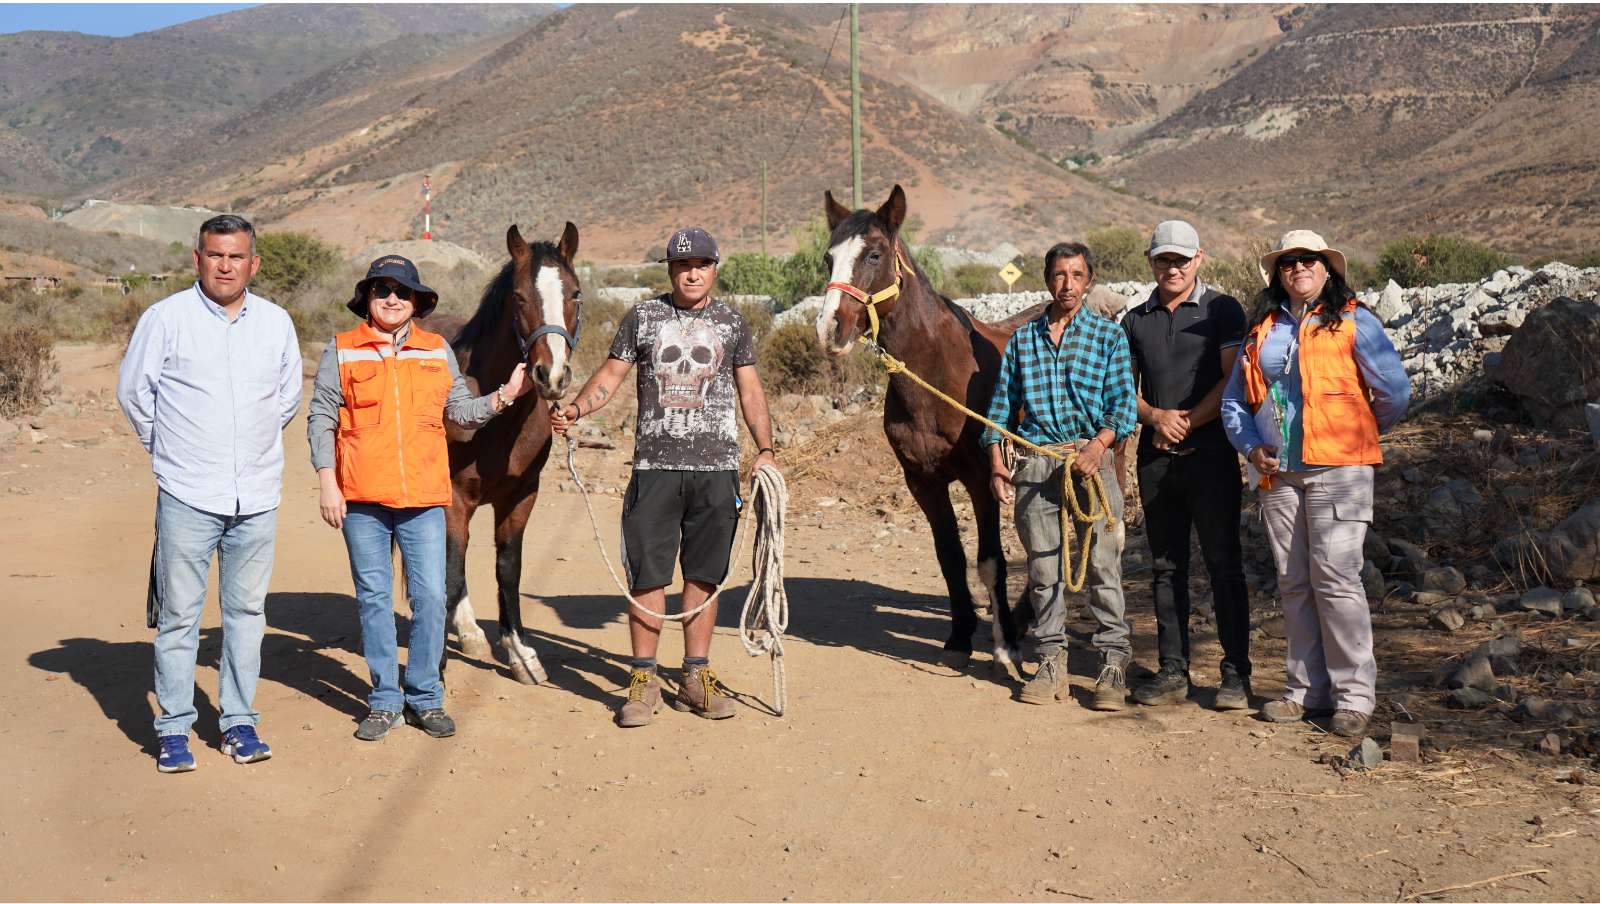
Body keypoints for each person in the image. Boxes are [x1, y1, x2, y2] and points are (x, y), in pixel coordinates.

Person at [551, 227, 777, 728]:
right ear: (671, 270)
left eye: (701, 265)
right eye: (682, 265)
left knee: (703, 575)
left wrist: (765, 450)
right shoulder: (644, 318)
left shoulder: (732, 323)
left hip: (716, 469)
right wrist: (577, 408)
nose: (692, 274)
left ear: (714, 268)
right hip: (654, 469)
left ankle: (695, 677)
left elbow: (750, 389)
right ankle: (643, 679)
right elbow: (611, 375)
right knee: (648, 575)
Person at [306, 255, 534, 742]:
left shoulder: (435, 350)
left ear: (416, 302)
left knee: (430, 598)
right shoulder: (342, 350)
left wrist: (505, 395)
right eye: (382, 290)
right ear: (367, 298)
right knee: (373, 599)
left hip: (425, 497)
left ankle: (426, 696)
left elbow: (461, 411)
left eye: (402, 292)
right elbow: (321, 416)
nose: (392, 299)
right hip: (362, 498)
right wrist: (327, 481)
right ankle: (385, 700)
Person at [116, 214, 301, 773]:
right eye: (215, 255)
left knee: (246, 612)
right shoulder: (166, 318)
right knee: (180, 617)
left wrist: (249, 447)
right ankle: (174, 728)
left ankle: (239, 721)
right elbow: (134, 392)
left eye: (236, 256)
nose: (225, 266)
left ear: (253, 263)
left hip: (257, 496)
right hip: (188, 493)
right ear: (197, 259)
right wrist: (171, 449)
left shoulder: (276, 323)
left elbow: (286, 398)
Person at [1221, 230, 1410, 738]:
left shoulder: (1353, 320)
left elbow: (1393, 392)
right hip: (1278, 473)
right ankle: (1305, 691)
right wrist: (1250, 446)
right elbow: (1236, 400)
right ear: (1278, 274)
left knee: (1338, 580)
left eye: (1308, 260)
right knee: (1294, 580)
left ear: (1327, 267)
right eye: (1288, 262)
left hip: (1340, 470)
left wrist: (1356, 431)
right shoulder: (1262, 328)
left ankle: (1354, 697)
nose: (1298, 268)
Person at [984, 242, 1138, 711]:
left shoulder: (1109, 337)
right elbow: (1000, 410)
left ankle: (1113, 663)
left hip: (1091, 462)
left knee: (1103, 565)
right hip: (1036, 462)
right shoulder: (1024, 340)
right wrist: (996, 463)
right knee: (1043, 568)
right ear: (1047, 279)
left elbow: (1123, 408)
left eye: (1076, 275)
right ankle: (1051, 661)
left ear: (1089, 281)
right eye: (1058, 275)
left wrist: (1097, 447)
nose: (1067, 285)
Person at [1121, 221, 1252, 711]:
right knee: (1165, 567)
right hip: (1156, 458)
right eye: (1163, 259)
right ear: (1150, 261)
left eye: (1181, 259)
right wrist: (1155, 417)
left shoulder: (1222, 309)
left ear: (1199, 258)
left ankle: (1236, 674)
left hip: (1212, 455)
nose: (1172, 268)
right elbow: (1124, 388)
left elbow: (1233, 380)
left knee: (1224, 565)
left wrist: (1186, 422)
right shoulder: (1135, 320)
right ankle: (1173, 671)